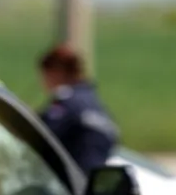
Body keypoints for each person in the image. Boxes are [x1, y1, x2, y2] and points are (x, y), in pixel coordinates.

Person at [37, 44, 120, 175]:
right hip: (93, 176)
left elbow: (42, 133)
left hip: (73, 178)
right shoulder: (92, 102)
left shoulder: (66, 100)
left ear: (56, 72)